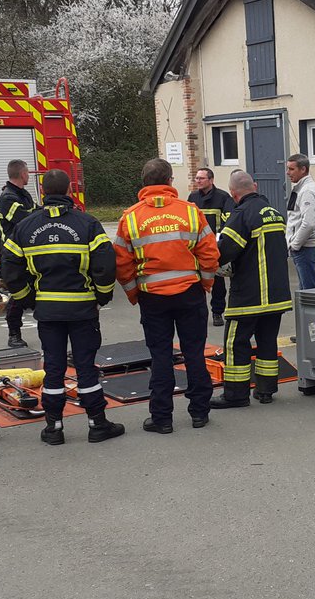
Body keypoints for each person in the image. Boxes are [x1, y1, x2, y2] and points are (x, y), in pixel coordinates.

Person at [2, 169, 123, 446]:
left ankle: (54, 427)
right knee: (85, 367)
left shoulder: (26, 226)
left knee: (53, 368)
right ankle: (97, 424)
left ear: (43, 193)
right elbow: (105, 264)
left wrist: (27, 299)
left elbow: (9, 266)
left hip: (47, 311)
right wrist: (102, 296)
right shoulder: (87, 223)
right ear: (69, 191)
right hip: (82, 310)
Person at [114, 159, 220, 434]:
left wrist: (134, 293)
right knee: (194, 353)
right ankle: (199, 412)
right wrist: (205, 285)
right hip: (190, 293)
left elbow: (122, 264)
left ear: (143, 183)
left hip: (153, 297)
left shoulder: (131, 217)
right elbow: (209, 254)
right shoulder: (191, 211)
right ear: (171, 181)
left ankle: (161, 418)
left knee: (160, 356)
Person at [211, 170, 293, 408]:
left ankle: (235, 394)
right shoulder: (274, 213)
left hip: (250, 293)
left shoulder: (242, 214)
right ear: (254, 186)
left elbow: (225, 251)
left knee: (235, 343)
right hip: (276, 294)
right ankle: (266, 390)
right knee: (267, 340)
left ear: (234, 195)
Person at [187, 167, 235, 327]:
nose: (198, 181)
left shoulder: (223, 197)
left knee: (218, 282)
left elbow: (229, 221)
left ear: (211, 180)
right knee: (195, 281)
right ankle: (197, 313)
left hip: (215, 246)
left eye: (201, 178)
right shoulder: (192, 198)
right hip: (196, 246)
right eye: (197, 178)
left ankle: (217, 312)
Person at [0, 159, 37, 348]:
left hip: (29, 250)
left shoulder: (23, 194)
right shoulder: (8, 198)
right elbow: (25, 220)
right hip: (14, 255)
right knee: (18, 294)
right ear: (22, 174)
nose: (29, 175)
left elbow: (35, 211)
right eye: (28, 172)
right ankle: (14, 334)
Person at [285, 153, 315, 290]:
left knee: (309, 290)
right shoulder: (301, 188)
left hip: (305, 248)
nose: (287, 173)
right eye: (287, 168)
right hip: (303, 248)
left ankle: (313, 312)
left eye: (291, 169)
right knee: (305, 291)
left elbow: (308, 223)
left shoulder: (307, 191)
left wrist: (294, 245)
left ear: (303, 169)